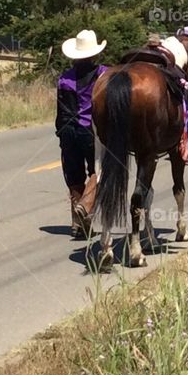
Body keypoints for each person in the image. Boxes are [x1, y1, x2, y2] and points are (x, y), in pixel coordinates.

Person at [56, 29, 108, 239]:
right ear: (95, 53)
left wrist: (60, 132)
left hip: (68, 130)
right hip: (91, 129)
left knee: (73, 174)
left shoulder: (64, 79)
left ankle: (76, 224)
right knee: (98, 170)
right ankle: (85, 207)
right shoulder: (104, 74)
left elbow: (60, 110)